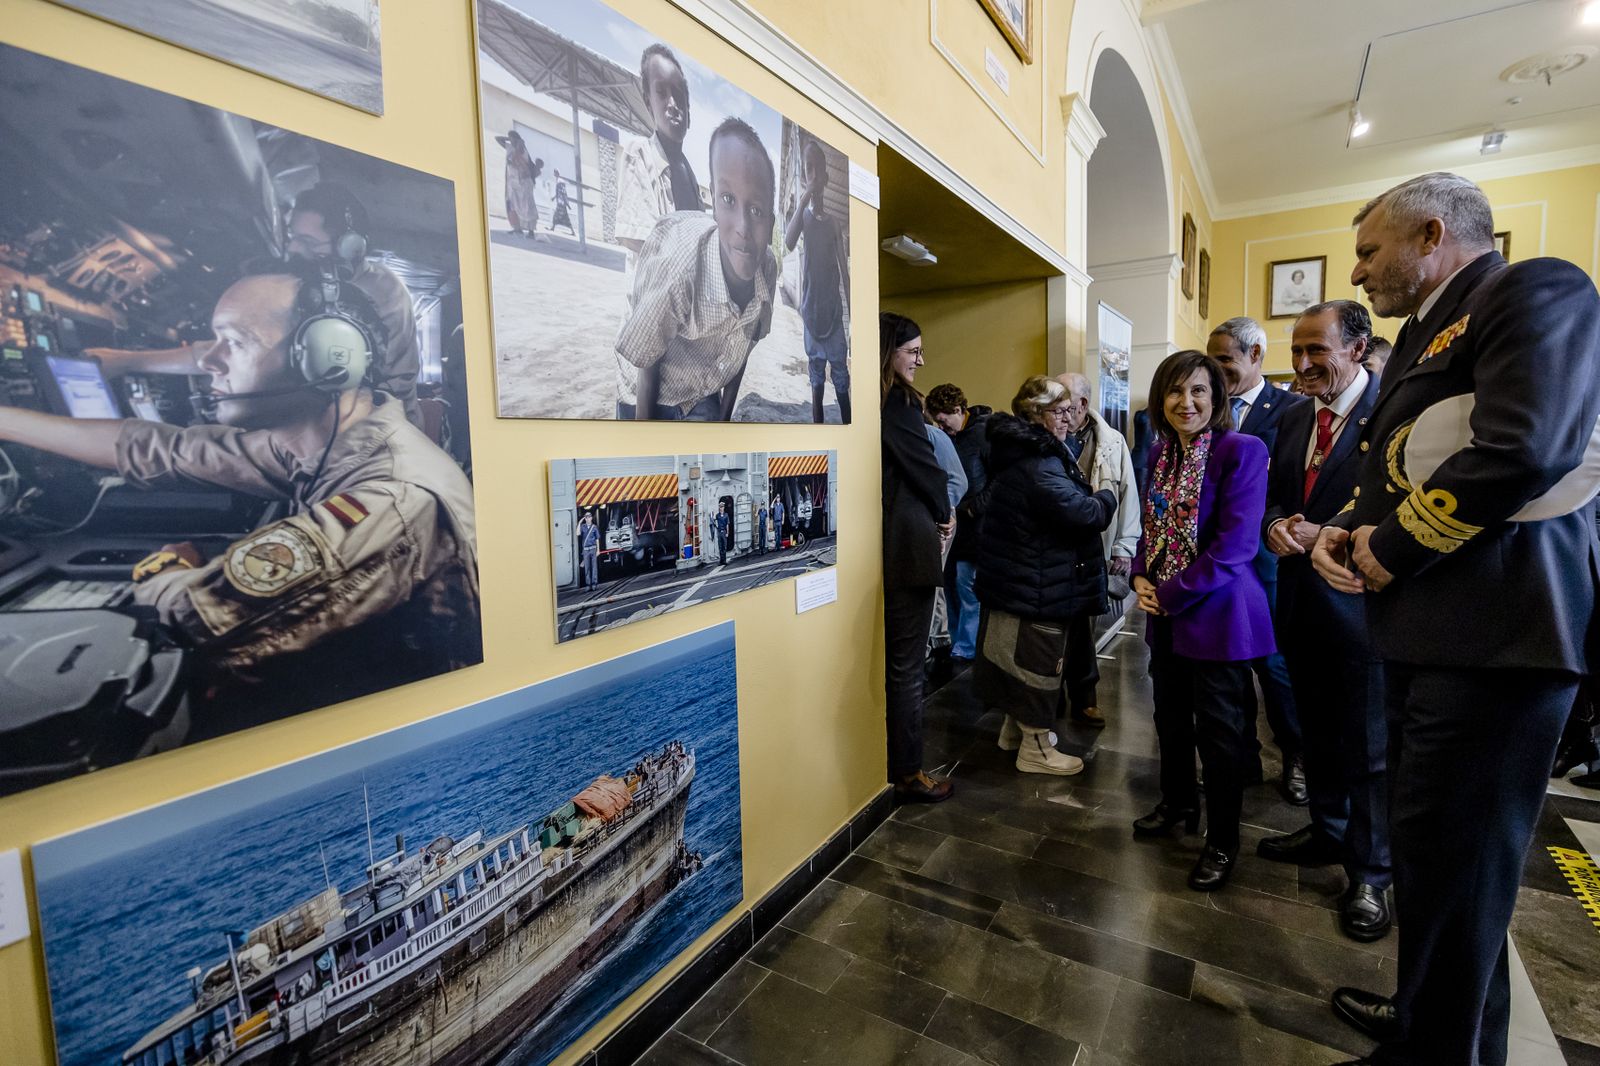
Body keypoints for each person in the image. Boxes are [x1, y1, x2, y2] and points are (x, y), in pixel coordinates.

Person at [1311, 173, 1600, 1066]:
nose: (1359, 272)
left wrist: (1388, 549)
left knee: (1461, 875)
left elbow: (1525, 446)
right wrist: (1350, 532)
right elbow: (1410, 470)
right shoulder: (1423, 335)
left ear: (1431, 232)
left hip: (1497, 637)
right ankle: (1439, 1028)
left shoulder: (1533, 289)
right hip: (1441, 634)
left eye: (1368, 250)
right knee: (1447, 878)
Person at [0, 268, 480, 728]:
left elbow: (200, 616)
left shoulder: (389, 499)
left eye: (234, 341)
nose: (208, 360)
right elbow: (171, 450)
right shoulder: (327, 444)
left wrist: (164, 569)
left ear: (327, 358)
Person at [1257, 300, 1391, 944]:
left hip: (1362, 607)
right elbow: (1279, 499)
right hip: (1300, 602)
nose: (1304, 364)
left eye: (1319, 351)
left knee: (1368, 745)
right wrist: (1278, 525)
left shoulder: (1395, 414)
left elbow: (1402, 507)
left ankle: (1371, 873)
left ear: (1358, 349)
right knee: (1315, 728)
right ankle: (1328, 833)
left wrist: (1329, 532)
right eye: (1297, 350)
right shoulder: (1289, 418)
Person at [88, 182, 423, 429]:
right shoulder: (325, 284)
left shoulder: (371, 293)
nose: (292, 249)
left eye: (306, 241)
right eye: (291, 236)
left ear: (351, 249)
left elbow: (249, 348)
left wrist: (128, 361)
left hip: (373, 433)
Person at [1130, 350, 1274, 892]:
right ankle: (1177, 803)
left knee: (1220, 734)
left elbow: (1235, 547)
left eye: (1197, 391)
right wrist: (1141, 576)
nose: (1185, 402)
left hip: (1216, 615)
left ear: (1217, 399)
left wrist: (1168, 593)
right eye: (1174, 391)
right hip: (1165, 611)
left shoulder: (1241, 449)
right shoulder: (1164, 453)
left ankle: (1222, 840)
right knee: (1169, 717)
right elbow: (1153, 529)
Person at [977, 376, 1117, 774]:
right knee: (1036, 665)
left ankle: (1013, 733)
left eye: (1070, 411)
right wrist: (1106, 494)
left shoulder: (1024, 452)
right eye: (1058, 412)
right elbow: (1084, 513)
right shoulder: (1037, 463)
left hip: (1029, 577)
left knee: (1020, 662)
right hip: (1036, 582)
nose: (1068, 420)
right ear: (1036, 415)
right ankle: (1035, 749)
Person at [1207, 316, 1309, 803]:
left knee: (1274, 663)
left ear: (1255, 356)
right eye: (1211, 360)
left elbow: (1294, 484)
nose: (1215, 369)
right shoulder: (1204, 409)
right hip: (1217, 558)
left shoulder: (1293, 410)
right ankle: (1239, 757)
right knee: (1228, 661)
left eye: (1224, 359)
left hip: (1268, 559)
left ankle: (1296, 755)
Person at [614, 118, 777, 421]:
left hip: (701, 391)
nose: (743, 227)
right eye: (728, 200)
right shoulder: (679, 263)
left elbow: (743, 348)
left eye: (756, 211)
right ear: (713, 202)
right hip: (648, 392)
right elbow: (647, 365)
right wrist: (645, 452)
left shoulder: (766, 269)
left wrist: (723, 423)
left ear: (771, 223)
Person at [879, 311, 954, 803]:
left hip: (885, 544)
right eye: (913, 351)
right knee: (909, 667)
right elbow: (926, 468)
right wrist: (945, 511)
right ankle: (908, 773)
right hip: (909, 547)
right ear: (890, 352)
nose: (921, 361)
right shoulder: (900, 402)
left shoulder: (866, 398)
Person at [1056, 372, 1141, 727]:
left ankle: (1085, 697)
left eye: (1064, 403)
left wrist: (1124, 546)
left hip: (1094, 551)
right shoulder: (1046, 437)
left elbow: (1128, 496)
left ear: (1083, 405)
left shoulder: (1112, 441)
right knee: (1051, 631)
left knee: (1083, 630)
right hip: (1054, 552)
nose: (1058, 411)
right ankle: (1049, 697)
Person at [616, 43, 702, 272]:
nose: (673, 104)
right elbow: (637, 237)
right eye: (662, 93)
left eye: (679, 94)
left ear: (689, 107)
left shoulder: (687, 172)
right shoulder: (639, 154)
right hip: (654, 303)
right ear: (648, 102)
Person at [784, 139, 851, 425]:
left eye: (816, 168)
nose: (812, 174)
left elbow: (844, 271)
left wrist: (854, 315)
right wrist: (804, 197)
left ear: (825, 175)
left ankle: (847, 424)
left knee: (841, 380)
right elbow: (787, 242)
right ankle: (818, 430)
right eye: (807, 168)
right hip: (811, 314)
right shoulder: (805, 218)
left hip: (834, 315)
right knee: (816, 381)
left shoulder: (834, 222)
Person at [925, 383, 991, 665]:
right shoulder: (947, 437)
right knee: (950, 586)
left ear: (958, 410)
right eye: (935, 422)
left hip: (977, 528)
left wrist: (974, 508)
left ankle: (966, 648)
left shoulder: (984, 434)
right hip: (952, 527)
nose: (941, 427)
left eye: (943, 420)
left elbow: (999, 479)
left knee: (967, 590)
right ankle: (952, 641)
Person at [923, 412, 967, 676]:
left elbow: (958, 481)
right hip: (932, 518)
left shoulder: (934, 436)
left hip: (940, 520)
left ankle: (932, 643)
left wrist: (943, 511)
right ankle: (938, 638)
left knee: (931, 581)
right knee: (933, 581)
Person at [494, 130, 540, 236]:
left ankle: (531, 231)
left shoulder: (522, 149)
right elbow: (497, 139)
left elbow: (519, 160)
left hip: (524, 182)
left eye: (512, 137)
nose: (511, 140)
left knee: (527, 206)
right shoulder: (510, 147)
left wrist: (518, 142)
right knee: (513, 205)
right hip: (513, 182)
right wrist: (508, 138)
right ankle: (517, 228)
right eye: (510, 138)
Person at [548, 171, 576, 235]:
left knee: (559, 215)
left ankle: (572, 231)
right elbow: (559, 192)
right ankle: (553, 227)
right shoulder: (558, 181)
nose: (554, 174)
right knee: (561, 216)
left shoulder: (560, 181)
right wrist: (554, 198)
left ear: (557, 173)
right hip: (560, 202)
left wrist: (566, 203)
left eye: (555, 173)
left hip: (561, 203)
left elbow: (563, 193)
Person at [579, 511, 600, 588]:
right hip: (586, 549)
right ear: (585, 518)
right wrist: (579, 523)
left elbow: (597, 539)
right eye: (586, 517)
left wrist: (598, 550)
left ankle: (594, 583)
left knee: (594, 567)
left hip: (593, 548)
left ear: (591, 518)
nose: (588, 519)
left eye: (589, 517)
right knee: (587, 567)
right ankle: (588, 584)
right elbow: (577, 533)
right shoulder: (583, 527)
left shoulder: (594, 527)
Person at [714, 500, 731, 564]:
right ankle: (721, 560)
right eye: (720, 507)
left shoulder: (726, 515)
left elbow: (727, 524)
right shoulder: (717, 515)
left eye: (722, 507)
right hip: (719, 532)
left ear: (724, 507)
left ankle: (724, 560)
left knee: (724, 546)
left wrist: (727, 533)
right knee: (720, 546)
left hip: (724, 532)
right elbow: (714, 521)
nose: (721, 508)